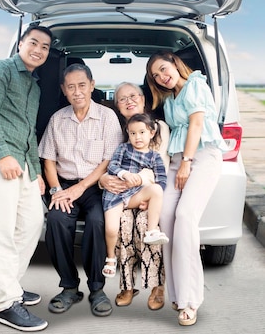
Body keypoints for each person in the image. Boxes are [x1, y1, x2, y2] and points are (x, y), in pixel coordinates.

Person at [0, 25, 53, 332]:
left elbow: (29, 132)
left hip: (23, 165)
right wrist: (3, 155)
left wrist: (37, 173)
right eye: (34, 43)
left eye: (44, 47)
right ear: (21, 43)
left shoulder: (35, 85)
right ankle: (6, 304)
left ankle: (2, 286)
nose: (38, 50)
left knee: (31, 225)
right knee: (0, 230)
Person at [146, 50, 227, 327]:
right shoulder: (168, 99)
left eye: (163, 69)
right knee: (166, 218)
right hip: (179, 160)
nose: (162, 77)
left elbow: (196, 124)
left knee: (186, 218)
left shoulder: (196, 84)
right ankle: (177, 293)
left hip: (201, 156)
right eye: (155, 76)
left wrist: (187, 163)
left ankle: (191, 301)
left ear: (175, 63)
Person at [38, 63, 122, 317]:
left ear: (92, 85)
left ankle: (97, 289)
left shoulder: (107, 117)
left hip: (95, 185)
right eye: (71, 87)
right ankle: (69, 287)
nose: (77, 92)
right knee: (56, 219)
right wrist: (55, 191)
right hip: (63, 185)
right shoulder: (57, 119)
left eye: (82, 85)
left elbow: (108, 160)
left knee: (97, 222)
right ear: (64, 90)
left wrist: (81, 187)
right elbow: (48, 160)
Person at [99, 82, 169, 310]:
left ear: (143, 98)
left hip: (147, 194)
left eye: (133, 95)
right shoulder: (114, 129)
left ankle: (157, 284)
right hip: (120, 194)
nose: (129, 101)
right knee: (123, 223)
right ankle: (127, 285)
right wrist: (103, 180)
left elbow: (159, 167)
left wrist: (144, 182)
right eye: (122, 99)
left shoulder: (158, 127)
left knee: (145, 224)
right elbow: (106, 164)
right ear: (117, 106)